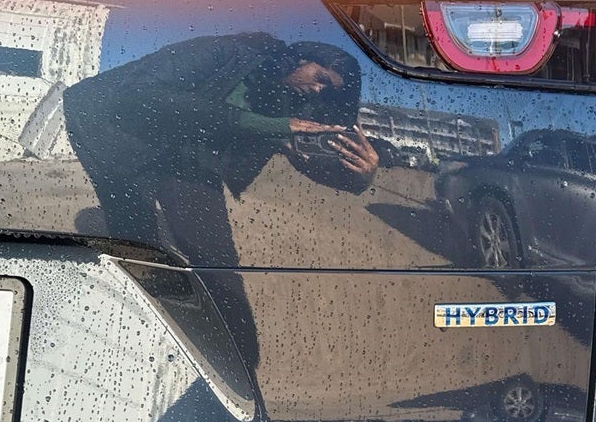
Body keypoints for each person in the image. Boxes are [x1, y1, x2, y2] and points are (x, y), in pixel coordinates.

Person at [62, 32, 378, 264]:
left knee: (218, 259)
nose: (318, 90)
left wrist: (359, 175)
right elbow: (139, 95)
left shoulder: (290, 100)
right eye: (321, 77)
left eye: (327, 90)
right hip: (115, 131)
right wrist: (266, 125)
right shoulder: (223, 51)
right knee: (137, 239)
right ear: (301, 57)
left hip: (189, 153)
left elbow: (305, 157)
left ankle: (225, 330)